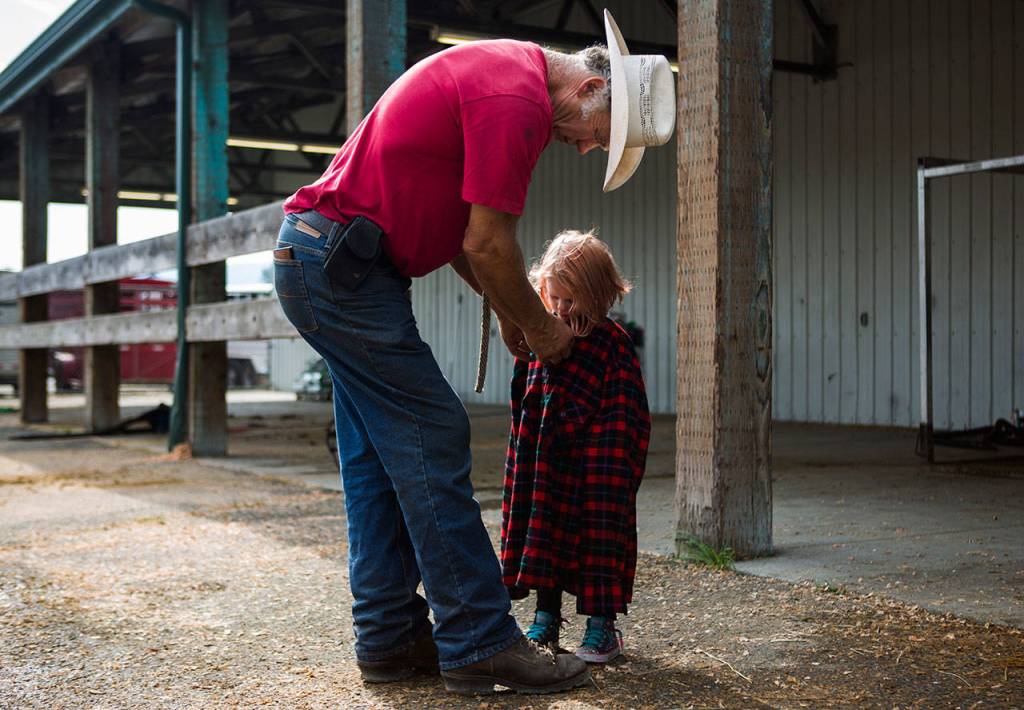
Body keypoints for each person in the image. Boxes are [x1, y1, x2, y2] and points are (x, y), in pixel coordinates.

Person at [272, 10, 674, 696]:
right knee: (434, 430)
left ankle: (390, 638)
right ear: (587, 92)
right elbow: (490, 244)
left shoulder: (504, 75)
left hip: (329, 260)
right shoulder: (515, 101)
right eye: (595, 139)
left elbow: (465, 239)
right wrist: (546, 336)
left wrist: (510, 309)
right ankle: (478, 639)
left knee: (375, 459)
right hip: (343, 268)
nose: (582, 149)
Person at [501, 230, 651, 665]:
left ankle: (602, 628)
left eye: (573, 301)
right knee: (543, 526)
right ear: (541, 291)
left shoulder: (612, 345)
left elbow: (629, 415)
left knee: (598, 534)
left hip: (598, 463)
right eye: (555, 299)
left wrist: (612, 468)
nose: (563, 310)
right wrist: (523, 455)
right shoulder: (535, 339)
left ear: (601, 295)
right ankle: (546, 619)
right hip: (546, 457)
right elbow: (522, 402)